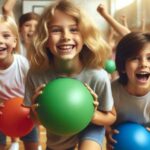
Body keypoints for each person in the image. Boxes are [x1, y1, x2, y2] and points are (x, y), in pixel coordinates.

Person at [24, 0, 116, 150]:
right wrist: (37, 113)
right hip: (58, 129)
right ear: (45, 39)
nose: (65, 36)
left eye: (74, 29)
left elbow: (111, 116)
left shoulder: (98, 75)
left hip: (91, 125)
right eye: (56, 30)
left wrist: (91, 114)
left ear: (85, 36)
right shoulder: (36, 75)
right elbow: (35, 120)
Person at [0, 15, 39, 150]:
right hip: (2, 114)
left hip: (25, 112)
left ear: (15, 42)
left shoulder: (22, 63)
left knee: (32, 146)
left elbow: (35, 85)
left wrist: (33, 107)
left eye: (5, 36)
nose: (0, 41)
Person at [106, 32, 150, 149]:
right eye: (135, 58)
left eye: (149, 58)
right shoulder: (111, 91)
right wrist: (107, 131)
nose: (144, 64)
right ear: (122, 67)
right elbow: (104, 118)